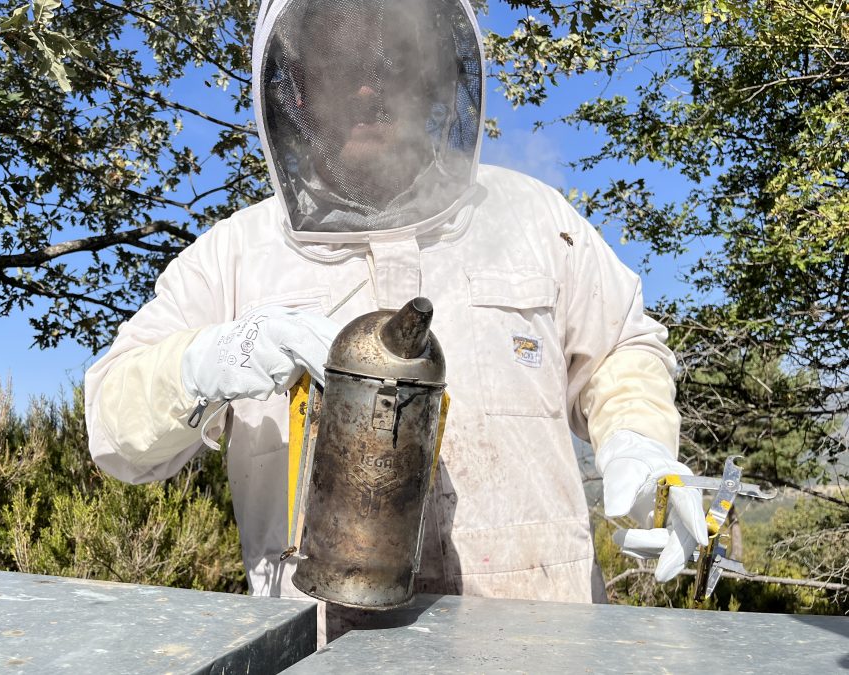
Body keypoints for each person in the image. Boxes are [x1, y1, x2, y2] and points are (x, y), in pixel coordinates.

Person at [85, 0, 707, 637]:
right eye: (341, 65)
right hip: (323, 643)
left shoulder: (534, 219)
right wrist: (212, 359)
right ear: (296, 89)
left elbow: (619, 351)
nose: (368, 87)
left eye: (393, 62)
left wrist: (638, 442)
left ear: (436, 79)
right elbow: (112, 429)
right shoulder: (233, 256)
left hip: (543, 641)